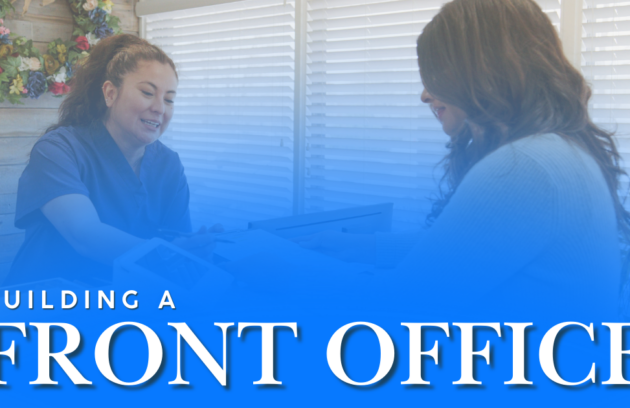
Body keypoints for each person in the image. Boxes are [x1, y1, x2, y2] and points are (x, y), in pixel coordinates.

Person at [297, 0, 625, 314]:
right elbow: (474, 250)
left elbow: (397, 307)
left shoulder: (523, 166)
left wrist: (274, 266)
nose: (425, 94)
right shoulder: (557, 151)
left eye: (436, 75)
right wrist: (363, 247)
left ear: (479, 71)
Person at [5, 34, 216, 286]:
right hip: (47, 307)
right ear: (110, 93)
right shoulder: (58, 150)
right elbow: (85, 235)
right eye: (148, 92)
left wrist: (195, 251)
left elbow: (178, 247)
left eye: (169, 99)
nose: (160, 108)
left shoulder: (168, 165)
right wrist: (168, 255)